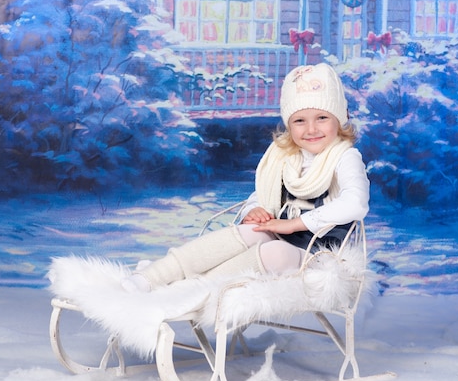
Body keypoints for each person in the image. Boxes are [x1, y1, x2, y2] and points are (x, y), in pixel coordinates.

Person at [121, 63, 370, 293]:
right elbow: (263, 194)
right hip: (281, 236)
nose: (312, 129)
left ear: (339, 119)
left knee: (276, 252)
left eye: (322, 118)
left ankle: (188, 289)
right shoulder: (285, 157)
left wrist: (293, 224)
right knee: (253, 228)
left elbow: (355, 203)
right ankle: (154, 276)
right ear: (289, 124)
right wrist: (256, 208)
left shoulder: (345, 157)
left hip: (317, 254)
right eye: (300, 121)